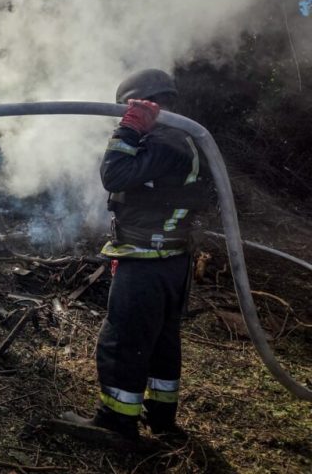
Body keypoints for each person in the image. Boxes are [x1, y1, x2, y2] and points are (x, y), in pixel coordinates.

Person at [64, 69, 208, 440]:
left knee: (123, 340)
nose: (124, 117)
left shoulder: (165, 140)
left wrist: (127, 131)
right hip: (169, 260)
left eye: (128, 110)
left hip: (147, 260)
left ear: (145, 103)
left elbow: (113, 175)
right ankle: (161, 418)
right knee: (161, 339)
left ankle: (116, 421)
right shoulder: (181, 137)